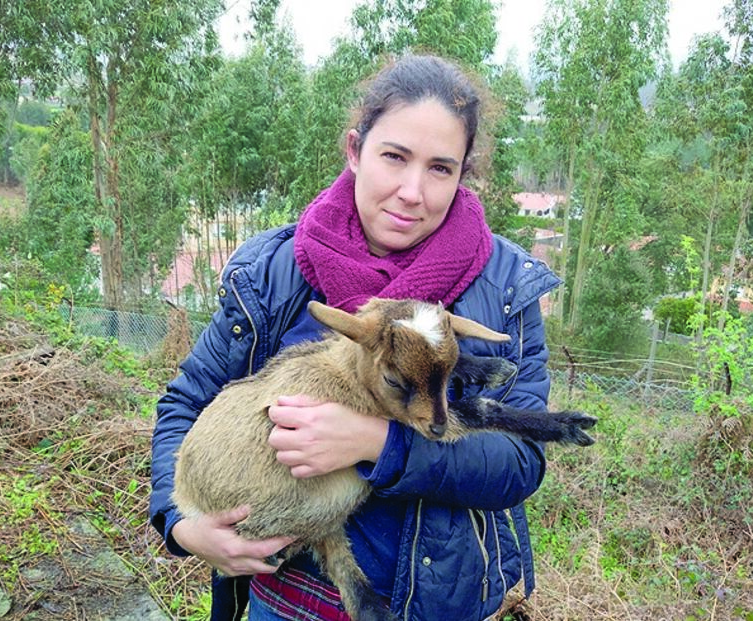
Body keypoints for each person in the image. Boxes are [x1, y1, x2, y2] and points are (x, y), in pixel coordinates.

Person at [150, 53, 561, 621]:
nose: (412, 191)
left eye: (441, 168)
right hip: (281, 601)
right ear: (354, 150)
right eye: (394, 156)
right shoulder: (274, 271)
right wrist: (182, 525)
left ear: (464, 174)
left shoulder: (506, 288)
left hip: (435, 605)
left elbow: (519, 463)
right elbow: (186, 401)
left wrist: (379, 443)